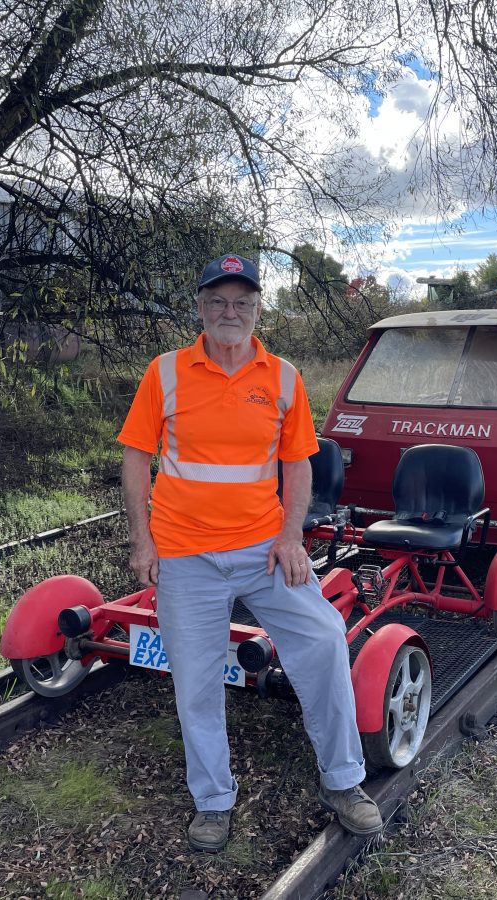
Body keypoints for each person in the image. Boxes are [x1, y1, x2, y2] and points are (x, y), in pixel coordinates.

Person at [117, 253, 383, 852]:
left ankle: (343, 783)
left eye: (242, 302)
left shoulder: (283, 377)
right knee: (197, 682)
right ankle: (213, 800)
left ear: (258, 309)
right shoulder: (165, 373)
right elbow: (136, 455)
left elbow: (297, 464)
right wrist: (143, 540)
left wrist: (292, 537)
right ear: (200, 309)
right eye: (218, 301)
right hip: (186, 555)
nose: (229, 312)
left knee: (323, 639)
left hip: (266, 549)